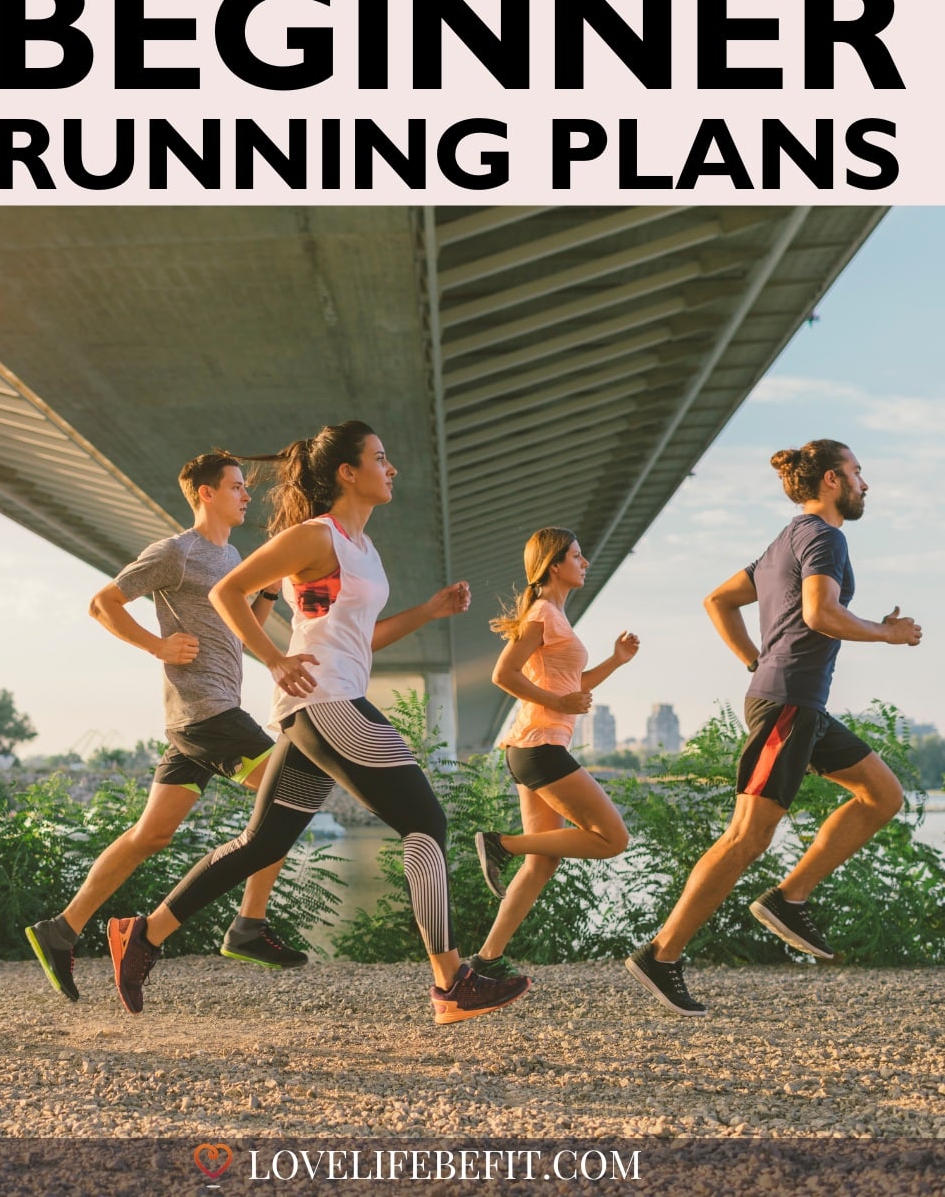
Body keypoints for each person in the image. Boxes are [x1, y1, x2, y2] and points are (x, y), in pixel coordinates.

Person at [105, 422, 530, 1025]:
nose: (393, 468)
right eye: (381, 459)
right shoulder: (315, 535)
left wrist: (429, 611)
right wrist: (275, 658)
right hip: (326, 702)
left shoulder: (364, 550)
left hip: (325, 702)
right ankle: (451, 982)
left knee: (263, 843)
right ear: (347, 474)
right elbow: (230, 590)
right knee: (424, 821)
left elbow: (365, 637)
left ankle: (143, 934)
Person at [625, 439, 922, 1016]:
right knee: (747, 837)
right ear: (833, 480)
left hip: (798, 704)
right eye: (858, 472)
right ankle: (660, 955)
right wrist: (888, 634)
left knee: (882, 794)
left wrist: (753, 660)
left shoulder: (789, 538)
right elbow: (819, 613)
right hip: (787, 705)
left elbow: (718, 600)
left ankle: (790, 898)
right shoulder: (824, 537)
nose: (866, 483)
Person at [25, 451, 306, 1002]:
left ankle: (61, 929)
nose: (246, 494)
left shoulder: (231, 555)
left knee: (151, 835)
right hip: (206, 713)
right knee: (292, 793)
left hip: (199, 717)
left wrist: (269, 590)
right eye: (236, 486)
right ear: (206, 493)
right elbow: (102, 603)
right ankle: (248, 925)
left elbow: (244, 623)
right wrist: (157, 646)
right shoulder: (176, 552)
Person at [471, 527, 637, 976]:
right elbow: (503, 674)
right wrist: (558, 704)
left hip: (533, 747)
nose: (585, 563)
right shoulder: (543, 612)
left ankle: (486, 961)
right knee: (613, 839)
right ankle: (499, 844)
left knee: (542, 862)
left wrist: (615, 661)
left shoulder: (554, 616)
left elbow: (574, 687)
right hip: (540, 747)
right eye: (578, 556)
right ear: (554, 564)